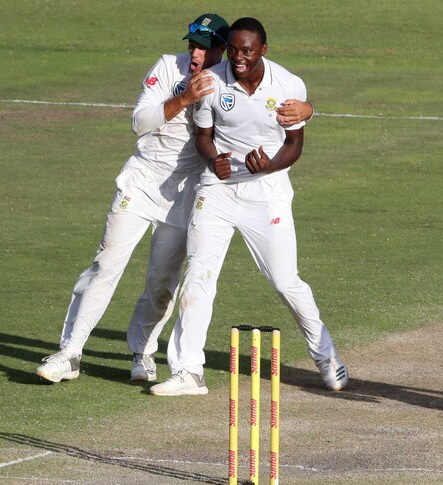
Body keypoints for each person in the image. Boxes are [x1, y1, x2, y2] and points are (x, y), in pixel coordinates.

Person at [35, 14, 314, 384]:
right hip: (142, 181)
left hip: (187, 191)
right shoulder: (169, 67)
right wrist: (184, 97)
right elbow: (140, 122)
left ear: (223, 51)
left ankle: (143, 353)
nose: (195, 53)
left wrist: (309, 110)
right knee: (107, 264)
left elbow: (276, 107)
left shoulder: (229, 79)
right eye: (192, 45)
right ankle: (70, 352)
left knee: (162, 282)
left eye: (205, 47)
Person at [149, 17, 348, 396]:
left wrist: (270, 165)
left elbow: (294, 145)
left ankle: (326, 356)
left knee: (285, 281)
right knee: (199, 275)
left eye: (247, 51)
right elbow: (204, 138)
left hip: (267, 190)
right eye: (234, 50)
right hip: (218, 189)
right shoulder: (212, 82)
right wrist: (213, 160)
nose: (238, 58)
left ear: (263, 50)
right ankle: (188, 371)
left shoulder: (288, 84)